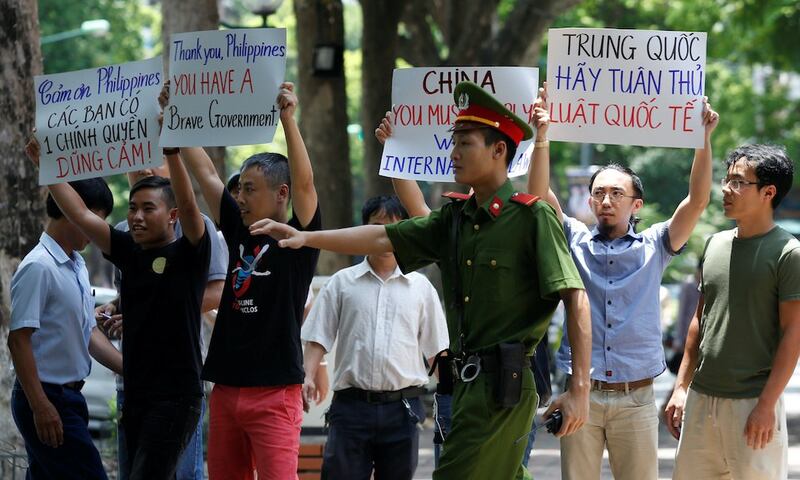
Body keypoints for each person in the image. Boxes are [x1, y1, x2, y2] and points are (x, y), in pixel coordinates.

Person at [250, 81, 591, 480]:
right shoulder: (455, 219)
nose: (454, 152)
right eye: (454, 141)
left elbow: (575, 297)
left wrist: (579, 389)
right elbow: (382, 236)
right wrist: (306, 237)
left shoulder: (532, 218)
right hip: (463, 387)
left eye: (466, 142)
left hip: (504, 387)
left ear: (499, 150)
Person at [526, 83, 719, 479]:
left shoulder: (656, 245)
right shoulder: (573, 239)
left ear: (637, 205)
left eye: (617, 193)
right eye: (599, 194)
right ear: (590, 201)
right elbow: (536, 194)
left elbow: (697, 201)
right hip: (582, 394)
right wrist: (540, 138)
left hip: (637, 398)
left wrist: (702, 140)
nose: (607, 200)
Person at [30, 135, 211, 478]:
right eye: (132, 208)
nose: (137, 217)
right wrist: (46, 166)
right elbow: (80, 214)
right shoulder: (130, 252)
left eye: (148, 208)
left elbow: (190, 205)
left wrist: (171, 150)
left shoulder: (190, 254)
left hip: (175, 397)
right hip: (135, 394)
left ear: (172, 216)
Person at [180, 81, 321, 479]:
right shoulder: (237, 230)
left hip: (276, 393)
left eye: (250, 189)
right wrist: (176, 118)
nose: (239, 197)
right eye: (239, 188)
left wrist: (288, 120)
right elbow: (205, 172)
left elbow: (307, 185)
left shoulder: (299, 240)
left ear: (281, 194)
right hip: (225, 389)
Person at [667, 144, 800, 480]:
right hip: (700, 398)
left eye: (739, 182)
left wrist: (767, 405)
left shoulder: (789, 253)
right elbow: (700, 320)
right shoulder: (714, 244)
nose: (726, 189)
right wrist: (682, 387)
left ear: (769, 192)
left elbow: (793, 335)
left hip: (752, 403)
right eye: (726, 180)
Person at [97, 158, 228, 480]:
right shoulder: (125, 235)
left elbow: (218, 291)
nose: (143, 169)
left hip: (177, 383)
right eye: (134, 162)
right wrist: (116, 307)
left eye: (153, 161)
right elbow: (140, 292)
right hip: (133, 380)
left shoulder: (196, 228)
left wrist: (150, 315)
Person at [301, 195, 449, 480]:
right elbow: (319, 336)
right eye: (377, 227)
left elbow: (438, 351)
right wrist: (308, 374)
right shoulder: (342, 283)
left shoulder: (421, 287)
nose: (385, 236)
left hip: (403, 410)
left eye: (394, 228)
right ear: (363, 232)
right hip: (350, 408)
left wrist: (451, 403)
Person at [9, 169, 122, 480]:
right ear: (73, 209)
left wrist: (132, 369)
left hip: (71, 398)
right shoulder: (39, 266)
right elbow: (18, 341)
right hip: (47, 398)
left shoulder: (76, 263)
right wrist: (40, 405)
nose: (99, 228)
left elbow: (87, 333)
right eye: (96, 217)